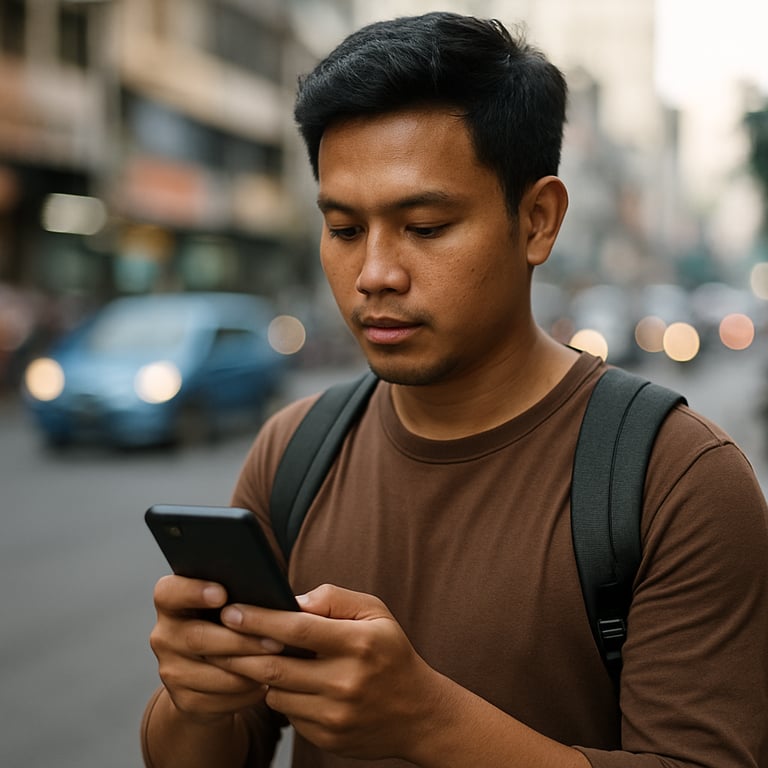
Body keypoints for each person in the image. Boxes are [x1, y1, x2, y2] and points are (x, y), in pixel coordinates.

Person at [141, 12, 768, 768]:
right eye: (344, 229)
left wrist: (430, 721)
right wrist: (196, 694)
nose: (375, 273)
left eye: (427, 226)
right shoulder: (295, 450)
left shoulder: (678, 480)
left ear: (538, 221)